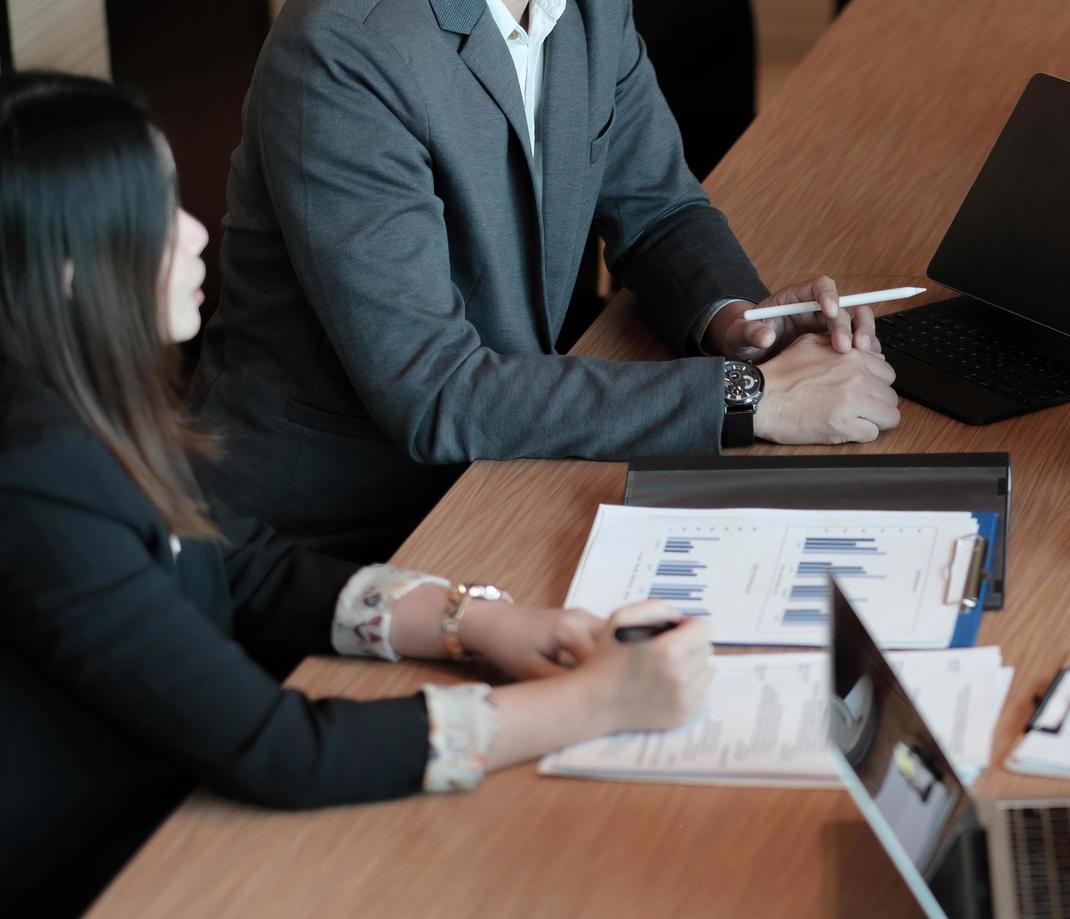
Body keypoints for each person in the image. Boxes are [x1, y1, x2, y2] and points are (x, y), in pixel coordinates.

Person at [0, 73, 714, 919]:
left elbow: (246, 567)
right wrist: (590, 703)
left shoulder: (81, 403)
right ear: (68, 270)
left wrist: (475, 620)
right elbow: (277, 751)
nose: (194, 234)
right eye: (155, 213)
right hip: (104, 899)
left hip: (179, 820)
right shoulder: (35, 480)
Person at [185, 0, 902, 561]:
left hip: (507, 462)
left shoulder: (588, 8)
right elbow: (434, 391)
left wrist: (738, 323)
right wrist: (749, 398)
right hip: (337, 530)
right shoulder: (346, 46)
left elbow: (658, 211)